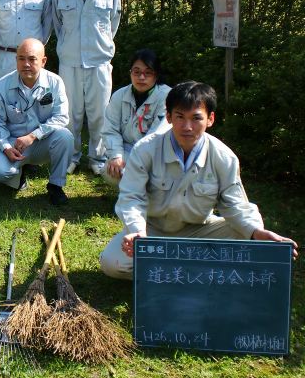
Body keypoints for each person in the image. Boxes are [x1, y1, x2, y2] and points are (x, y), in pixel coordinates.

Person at [99, 81, 298, 280]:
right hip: (152, 229)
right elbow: (131, 196)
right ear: (168, 117)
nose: (187, 127)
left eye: (196, 118)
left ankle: (170, 268)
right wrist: (137, 231)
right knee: (112, 263)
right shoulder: (146, 149)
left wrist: (257, 232)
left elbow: (236, 205)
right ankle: (193, 269)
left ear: (210, 119)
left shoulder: (224, 157)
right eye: (180, 117)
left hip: (198, 230)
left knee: (248, 236)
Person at [52, 0, 121, 175]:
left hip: (99, 62)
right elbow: (58, 24)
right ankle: (71, 157)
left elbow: (113, 24)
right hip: (69, 62)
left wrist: (97, 45)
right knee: (69, 113)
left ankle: (98, 158)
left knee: (99, 113)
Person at [0, 38, 73, 206]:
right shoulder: (3, 85)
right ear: (16, 60)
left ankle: (56, 185)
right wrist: (5, 148)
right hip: (14, 143)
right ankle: (19, 175)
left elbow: (61, 117)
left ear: (43, 61)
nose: (26, 64)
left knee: (65, 137)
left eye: (32, 59)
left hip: (43, 140)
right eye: (21, 58)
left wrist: (33, 136)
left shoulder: (55, 82)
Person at [100, 49, 171, 188]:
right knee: (110, 173)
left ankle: (145, 196)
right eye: (136, 72)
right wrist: (116, 156)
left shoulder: (167, 97)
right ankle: (133, 193)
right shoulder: (119, 96)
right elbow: (110, 130)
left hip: (156, 154)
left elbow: (157, 136)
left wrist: (136, 165)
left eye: (148, 72)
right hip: (127, 149)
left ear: (157, 75)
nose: (141, 77)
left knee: (142, 175)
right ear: (130, 72)